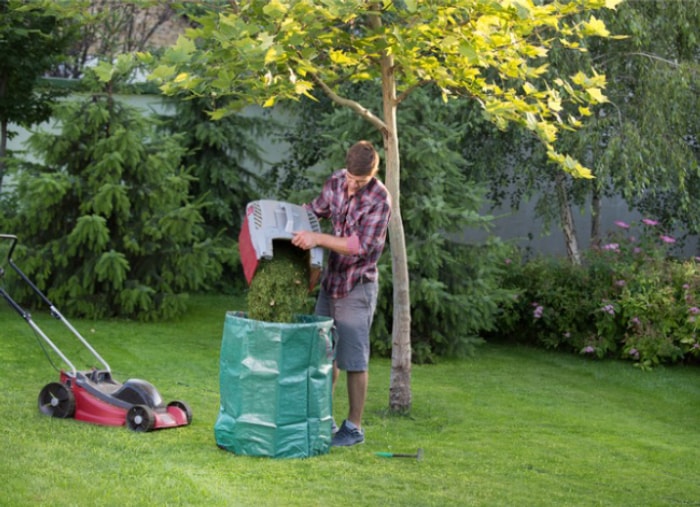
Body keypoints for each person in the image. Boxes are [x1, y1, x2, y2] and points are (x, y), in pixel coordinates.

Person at [292, 140, 391, 447]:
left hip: (356, 286)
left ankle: (353, 428)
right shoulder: (337, 180)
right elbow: (314, 210)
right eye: (350, 178)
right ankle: (324, 418)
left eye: (359, 181)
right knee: (324, 353)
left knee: (354, 359)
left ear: (373, 174)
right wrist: (291, 225)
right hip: (330, 282)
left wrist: (317, 238)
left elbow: (358, 245)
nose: (351, 185)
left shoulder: (380, 199)